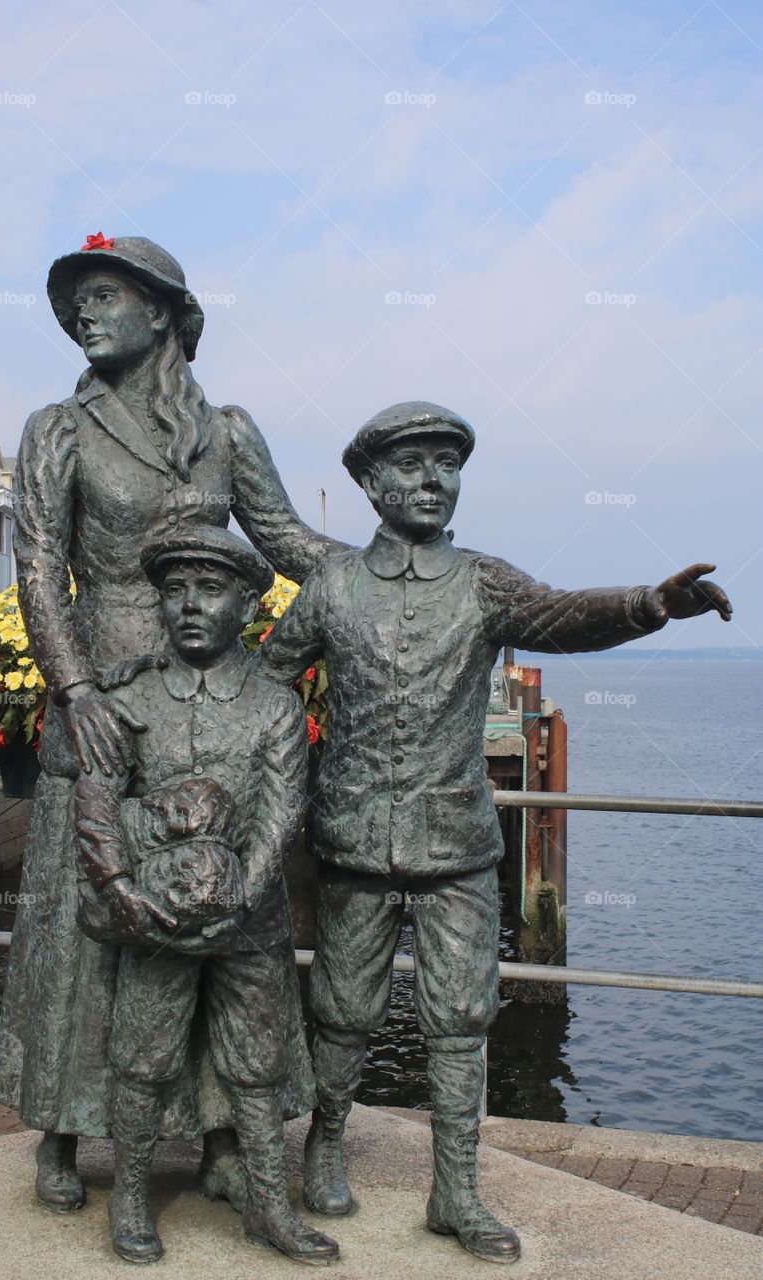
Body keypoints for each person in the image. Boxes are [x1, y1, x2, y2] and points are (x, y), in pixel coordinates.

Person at [258, 400, 732, 1265]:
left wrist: (647, 603)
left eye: (446, 462)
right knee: (342, 1009)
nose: (431, 479)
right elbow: (265, 685)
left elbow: (560, 616)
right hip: (353, 836)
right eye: (408, 463)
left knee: (461, 1015)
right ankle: (323, 1143)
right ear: (368, 483)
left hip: (458, 843)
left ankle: (456, 1190)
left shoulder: (482, 581)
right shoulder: (330, 587)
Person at [0, 233, 342, 1215]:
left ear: (162, 312)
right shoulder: (56, 426)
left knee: (220, 904)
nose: (85, 313)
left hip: (212, 701)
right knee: (80, 922)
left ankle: (226, 1130)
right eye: (78, 302)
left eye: (104, 295)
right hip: (103, 699)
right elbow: (39, 570)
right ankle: (60, 1123)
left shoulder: (225, 430)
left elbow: (291, 544)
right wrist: (75, 690)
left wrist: (397, 571)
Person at [73, 525, 339, 1265]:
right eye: (175, 589)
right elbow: (95, 803)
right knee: (142, 1057)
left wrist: (236, 901)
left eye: (211, 589)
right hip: (152, 919)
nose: (190, 604)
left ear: (249, 604)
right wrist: (122, 890)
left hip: (248, 923)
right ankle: (128, 1197)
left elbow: (283, 814)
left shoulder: (275, 707)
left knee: (257, 1064)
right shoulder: (127, 698)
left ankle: (268, 1205)